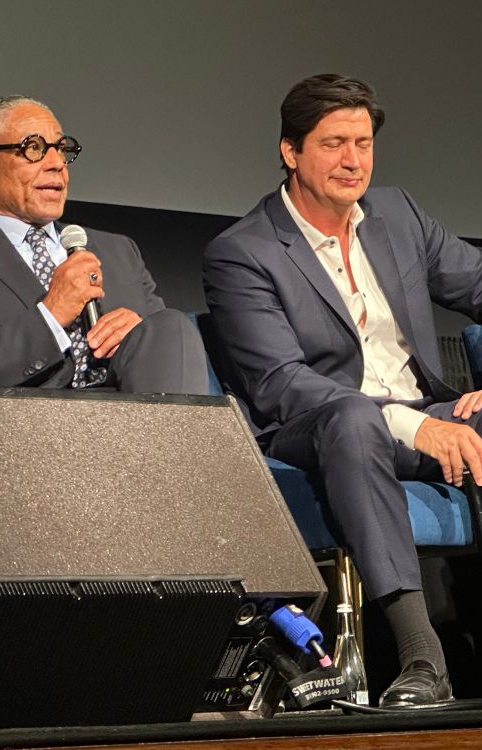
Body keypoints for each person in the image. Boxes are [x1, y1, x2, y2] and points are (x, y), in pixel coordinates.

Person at [203, 73, 482, 707]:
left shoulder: (399, 215)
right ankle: (422, 657)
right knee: (356, 417)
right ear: (290, 151)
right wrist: (414, 426)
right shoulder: (242, 252)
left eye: (362, 142)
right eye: (332, 143)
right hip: (320, 430)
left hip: (430, 411)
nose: (351, 160)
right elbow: (281, 384)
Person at [0, 95, 208, 394]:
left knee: (169, 326)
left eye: (61, 149)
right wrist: (50, 315)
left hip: (133, 429)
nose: (57, 163)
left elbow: (169, 362)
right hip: (31, 432)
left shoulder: (118, 251)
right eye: (33, 148)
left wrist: (142, 339)